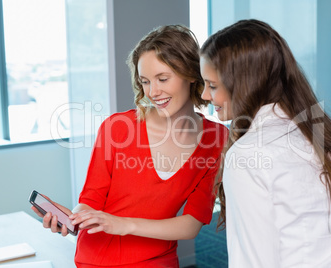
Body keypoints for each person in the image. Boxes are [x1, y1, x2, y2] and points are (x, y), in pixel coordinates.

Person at [32, 24, 227, 267]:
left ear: (190, 74)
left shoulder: (216, 139)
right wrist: (75, 218)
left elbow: (191, 224)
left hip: (159, 260)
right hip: (97, 259)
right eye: (145, 81)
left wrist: (124, 224)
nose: (153, 92)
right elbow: (92, 197)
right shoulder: (117, 128)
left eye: (163, 79)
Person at [199, 19, 331, 267]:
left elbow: (253, 261)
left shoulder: (248, 154)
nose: (205, 95)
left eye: (212, 85)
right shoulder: (320, 135)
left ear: (246, 84)